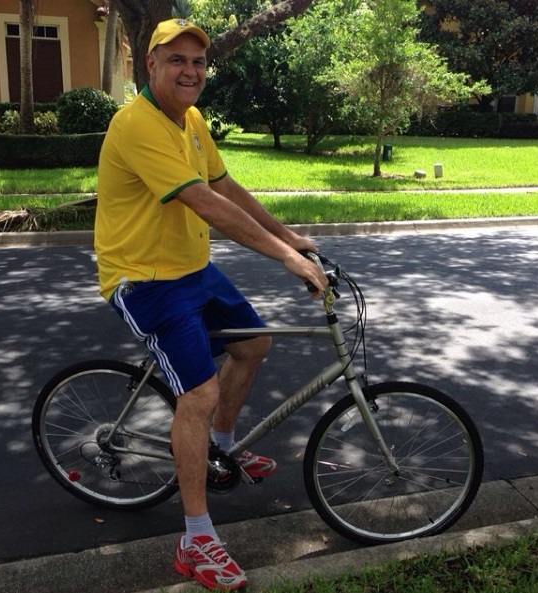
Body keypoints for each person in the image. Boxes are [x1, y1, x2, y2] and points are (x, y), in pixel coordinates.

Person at [94, 18, 327, 591]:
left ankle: (222, 451)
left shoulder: (192, 120)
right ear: (150, 66)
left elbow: (225, 187)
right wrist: (286, 260)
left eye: (198, 62)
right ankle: (196, 540)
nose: (190, 71)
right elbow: (203, 203)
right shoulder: (136, 124)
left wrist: (291, 237)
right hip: (144, 279)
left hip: (193, 269)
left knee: (255, 344)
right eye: (176, 60)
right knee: (198, 394)